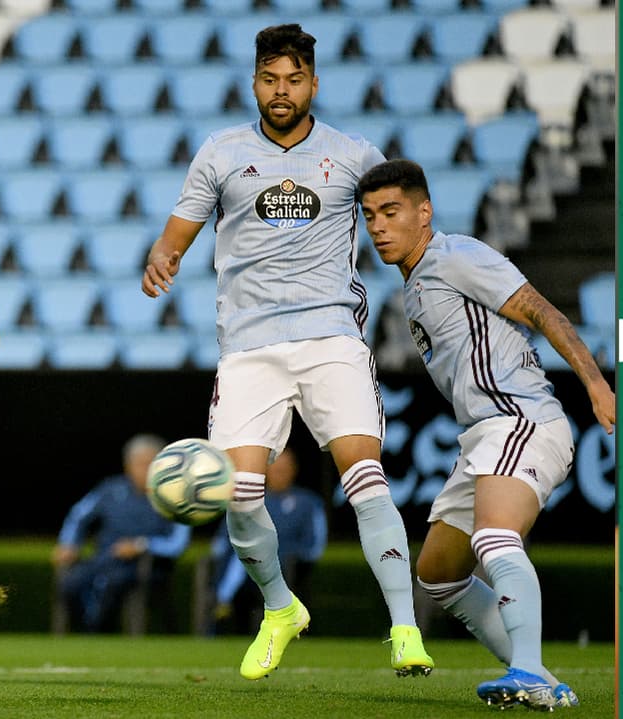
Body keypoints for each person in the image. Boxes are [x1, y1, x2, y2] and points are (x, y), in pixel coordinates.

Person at [141, 24, 433, 680]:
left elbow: (399, 221)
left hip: (333, 337)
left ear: (313, 84)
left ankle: (405, 627)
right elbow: (176, 235)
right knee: (240, 492)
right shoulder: (220, 153)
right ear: (254, 83)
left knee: (364, 476)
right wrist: (162, 257)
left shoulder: (353, 154)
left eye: (293, 79)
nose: (281, 91)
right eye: (270, 79)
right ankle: (280, 607)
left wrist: (426, 274)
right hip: (249, 347)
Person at [357, 159, 616, 710]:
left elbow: (543, 311)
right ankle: (540, 676)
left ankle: (527, 670)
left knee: (495, 540)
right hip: (482, 436)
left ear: (423, 213)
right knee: (438, 574)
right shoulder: (415, 286)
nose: (378, 226)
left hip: (521, 419)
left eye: (391, 212)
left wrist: (596, 384)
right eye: (370, 215)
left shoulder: (455, 255)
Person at [52, 434, 190, 633]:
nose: (146, 470)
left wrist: (141, 545)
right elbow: (78, 515)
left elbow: (178, 543)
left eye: (152, 463)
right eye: (140, 464)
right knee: (71, 583)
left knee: (112, 583)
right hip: (105, 559)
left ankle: (99, 633)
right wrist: (69, 544)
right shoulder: (110, 490)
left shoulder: (174, 496)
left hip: (145, 567)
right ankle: (86, 630)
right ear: (128, 466)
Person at [211, 449, 325, 635]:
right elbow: (221, 541)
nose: (279, 473)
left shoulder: (308, 503)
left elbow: (314, 548)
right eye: (275, 468)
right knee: (238, 558)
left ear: (294, 470)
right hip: (246, 567)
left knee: (254, 559)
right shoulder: (246, 500)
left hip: (285, 567)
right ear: (266, 470)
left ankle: (223, 603)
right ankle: (221, 608)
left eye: (284, 469)